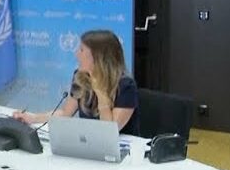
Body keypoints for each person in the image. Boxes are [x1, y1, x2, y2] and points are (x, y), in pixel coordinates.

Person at [12, 29, 140, 136]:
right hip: (90, 144)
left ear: (98, 57)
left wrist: (100, 92)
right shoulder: (80, 77)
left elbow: (110, 131)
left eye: (82, 50)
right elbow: (65, 113)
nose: (76, 54)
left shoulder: (126, 86)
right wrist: (33, 118)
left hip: (122, 150)